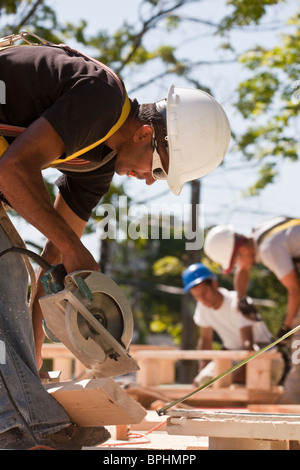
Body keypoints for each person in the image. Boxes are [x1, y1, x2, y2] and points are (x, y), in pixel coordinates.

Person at [0, 32, 231, 448]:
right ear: (145, 134)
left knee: (13, 272)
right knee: (4, 267)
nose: (149, 180)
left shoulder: (97, 167)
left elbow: (54, 260)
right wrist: (72, 248)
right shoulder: (100, 96)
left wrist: (35, 343)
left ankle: (26, 406)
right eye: (158, 169)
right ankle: (20, 424)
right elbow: (14, 171)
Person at [204, 217, 300, 402]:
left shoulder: (269, 249)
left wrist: (286, 328)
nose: (240, 266)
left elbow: (295, 291)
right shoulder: (261, 233)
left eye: (237, 260)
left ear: (241, 249)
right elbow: (243, 270)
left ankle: (290, 406)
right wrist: (241, 299)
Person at [182, 263, 283, 387]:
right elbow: (206, 339)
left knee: (249, 386)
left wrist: (243, 373)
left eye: (204, 293)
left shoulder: (237, 302)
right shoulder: (203, 307)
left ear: (214, 284)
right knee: (203, 382)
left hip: (263, 353)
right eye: (197, 296)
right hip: (234, 356)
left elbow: (248, 344)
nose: (203, 299)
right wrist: (202, 369)